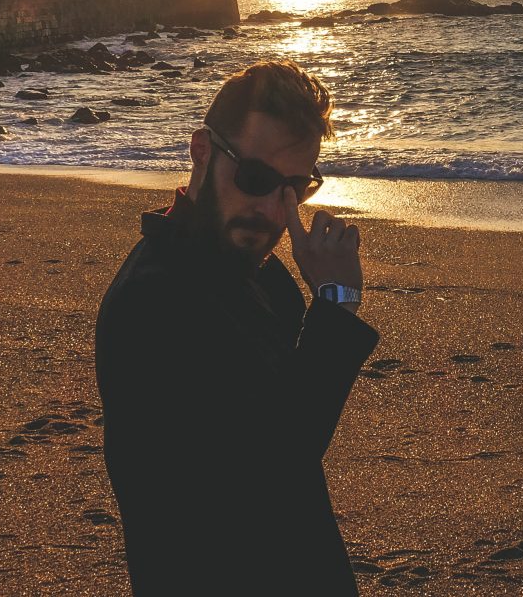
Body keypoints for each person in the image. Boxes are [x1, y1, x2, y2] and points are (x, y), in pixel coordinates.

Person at [94, 61, 378, 594]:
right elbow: (272, 462)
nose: (275, 210)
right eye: (256, 179)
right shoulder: (152, 301)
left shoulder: (254, 273)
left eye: (296, 188)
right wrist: (336, 305)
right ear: (202, 151)